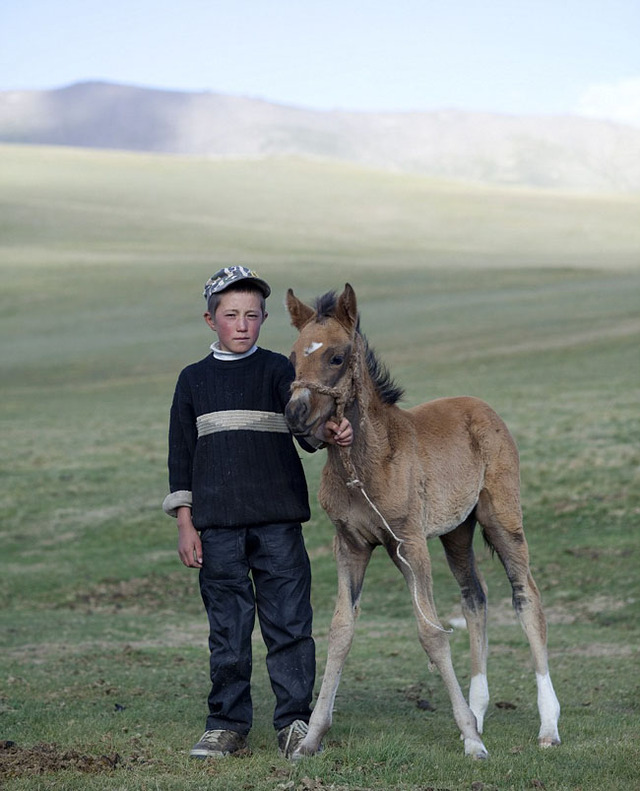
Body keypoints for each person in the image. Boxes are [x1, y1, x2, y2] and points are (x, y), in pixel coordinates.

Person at [162, 266, 352, 761]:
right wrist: (186, 523)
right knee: (227, 627)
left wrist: (331, 433)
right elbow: (180, 456)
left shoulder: (279, 372)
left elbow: (307, 430)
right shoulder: (192, 381)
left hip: (278, 523)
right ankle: (226, 724)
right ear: (210, 320)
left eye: (252, 315)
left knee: (290, 622)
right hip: (216, 527)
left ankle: (294, 721)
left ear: (265, 318)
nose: (242, 324)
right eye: (231, 315)